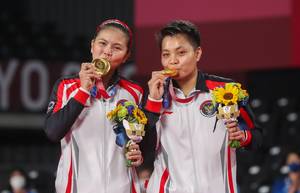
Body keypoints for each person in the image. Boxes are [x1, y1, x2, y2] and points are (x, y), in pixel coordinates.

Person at [143, 20, 263, 193]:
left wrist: (242, 136)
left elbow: (258, 136)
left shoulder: (227, 90)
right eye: (166, 54)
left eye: (181, 52)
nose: (173, 61)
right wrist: (154, 102)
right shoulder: (155, 94)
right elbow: (141, 147)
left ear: (197, 53)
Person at [44, 19, 144, 193]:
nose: (107, 52)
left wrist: (138, 155)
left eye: (117, 48)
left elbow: (142, 140)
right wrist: (83, 90)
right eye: (102, 44)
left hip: (123, 188)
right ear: (92, 46)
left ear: (126, 56)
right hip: (76, 188)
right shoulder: (66, 86)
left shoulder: (134, 92)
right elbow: (53, 132)